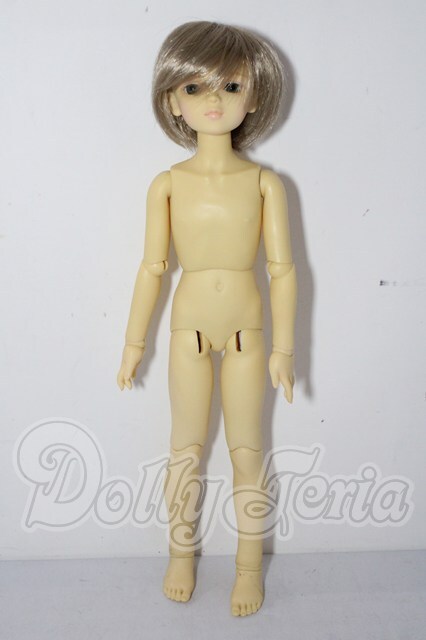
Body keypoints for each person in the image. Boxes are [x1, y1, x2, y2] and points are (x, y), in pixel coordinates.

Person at [117, 20, 297, 617]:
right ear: (173, 100)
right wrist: (134, 342)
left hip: (248, 334)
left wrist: (285, 350)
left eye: (230, 85)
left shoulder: (264, 183)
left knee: (247, 450)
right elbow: (152, 268)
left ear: (253, 96)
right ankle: (180, 554)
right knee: (185, 448)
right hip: (188, 331)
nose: (213, 101)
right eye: (194, 88)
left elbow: (283, 271)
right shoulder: (168, 185)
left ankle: (248, 568)